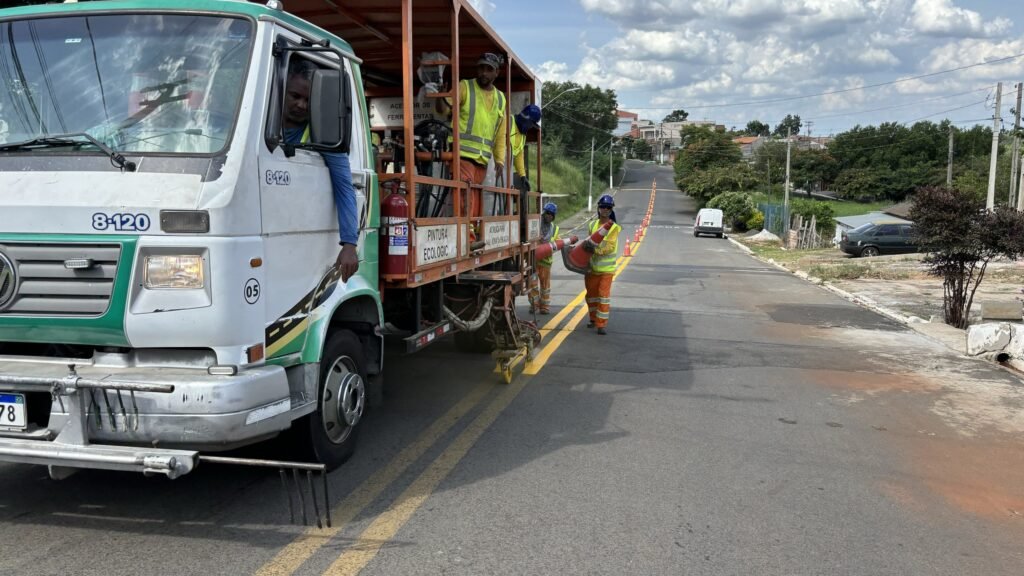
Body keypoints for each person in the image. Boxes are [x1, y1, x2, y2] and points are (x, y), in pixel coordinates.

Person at [283, 59, 360, 282]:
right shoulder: (260, 122)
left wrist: (349, 244)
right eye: (295, 96)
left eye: (308, 100)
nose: (301, 105)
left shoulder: (325, 134)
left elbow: (345, 188)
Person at [437, 52, 507, 220]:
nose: (484, 73)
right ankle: (467, 238)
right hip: (462, 155)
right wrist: (440, 95)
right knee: (465, 196)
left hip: (482, 160)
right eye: (481, 68)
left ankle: (472, 232)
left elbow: (500, 132)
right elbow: (444, 111)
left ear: (496, 72)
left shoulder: (501, 98)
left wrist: (499, 159)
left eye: (489, 69)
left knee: (474, 197)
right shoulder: (464, 87)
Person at [582, 194, 621, 335]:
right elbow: (588, 243)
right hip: (592, 269)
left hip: (606, 270)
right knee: (591, 296)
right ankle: (593, 319)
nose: (605, 209)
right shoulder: (592, 225)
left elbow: (609, 246)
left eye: (608, 208)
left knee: (603, 296)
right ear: (598, 208)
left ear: (611, 210)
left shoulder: (614, 227)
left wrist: (595, 250)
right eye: (603, 207)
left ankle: (601, 324)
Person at [528, 202, 560, 315]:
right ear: (543, 213)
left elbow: (556, 243)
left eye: (551, 214)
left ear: (554, 216)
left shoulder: (555, 228)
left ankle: (544, 307)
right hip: (534, 260)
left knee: (545, 286)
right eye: (547, 213)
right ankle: (534, 305)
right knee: (532, 284)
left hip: (546, 261)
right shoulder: (535, 225)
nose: (549, 216)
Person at [510, 104, 541, 192]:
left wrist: (523, 176)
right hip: (494, 168)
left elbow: (519, 155)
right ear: (526, 118)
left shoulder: (523, 134)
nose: (531, 127)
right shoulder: (508, 122)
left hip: (505, 172)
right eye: (531, 124)